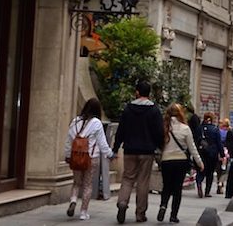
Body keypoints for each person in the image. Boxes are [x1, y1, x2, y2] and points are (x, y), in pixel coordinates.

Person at [113, 81, 164, 224]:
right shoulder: (154, 110)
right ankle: (140, 213)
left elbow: (121, 130)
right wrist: (160, 146)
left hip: (129, 150)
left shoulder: (128, 109)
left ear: (137, 92)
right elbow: (159, 132)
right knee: (143, 181)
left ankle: (122, 202)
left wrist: (116, 147)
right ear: (149, 93)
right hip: (147, 151)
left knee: (127, 178)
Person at [64, 98, 115, 221]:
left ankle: (73, 200)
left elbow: (68, 141)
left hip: (75, 157)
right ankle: (83, 212)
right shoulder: (96, 123)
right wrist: (110, 154)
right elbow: (102, 143)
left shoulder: (75, 121)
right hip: (91, 158)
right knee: (87, 184)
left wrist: (67, 155)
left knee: (76, 183)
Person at [157, 103, 203, 224]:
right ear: (180, 114)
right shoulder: (185, 128)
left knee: (166, 186)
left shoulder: (164, 127)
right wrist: (199, 162)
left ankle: (163, 205)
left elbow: (159, 145)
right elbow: (192, 148)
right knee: (177, 189)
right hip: (180, 161)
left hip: (166, 161)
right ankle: (173, 215)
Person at [195, 112, 224, 198]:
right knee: (210, 173)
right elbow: (219, 143)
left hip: (201, 153)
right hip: (212, 154)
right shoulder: (215, 129)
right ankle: (207, 191)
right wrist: (222, 154)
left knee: (201, 170)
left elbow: (196, 140)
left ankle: (199, 183)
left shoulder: (199, 128)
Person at [216, 118, 231, 194]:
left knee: (219, 170)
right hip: (226, 153)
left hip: (218, 152)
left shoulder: (218, 131)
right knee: (224, 170)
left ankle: (219, 183)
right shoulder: (229, 132)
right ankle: (221, 184)